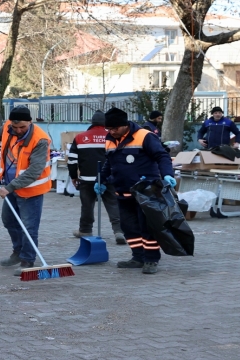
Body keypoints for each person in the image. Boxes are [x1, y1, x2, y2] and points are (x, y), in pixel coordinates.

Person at [96, 107, 174, 275]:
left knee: (148, 227)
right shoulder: (109, 140)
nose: (111, 132)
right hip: (123, 192)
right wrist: (101, 180)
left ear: (124, 125)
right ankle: (137, 257)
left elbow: (162, 156)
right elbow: (109, 163)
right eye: (108, 129)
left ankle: (151, 259)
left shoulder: (145, 136)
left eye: (114, 128)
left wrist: (167, 174)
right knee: (129, 228)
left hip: (146, 192)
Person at [0, 106, 51, 276]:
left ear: (29, 122)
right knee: (9, 221)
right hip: (10, 187)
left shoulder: (40, 140)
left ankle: (27, 260)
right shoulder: (7, 127)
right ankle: (18, 252)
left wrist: (9, 188)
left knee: (29, 226)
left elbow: (34, 171)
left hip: (30, 190)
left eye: (22, 127)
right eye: (15, 127)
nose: (17, 130)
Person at [68, 110, 125, 244]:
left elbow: (72, 160)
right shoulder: (113, 136)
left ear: (92, 123)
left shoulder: (80, 137)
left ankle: (85, 230)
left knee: (87, 205)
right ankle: (119, 231)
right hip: (109, 178)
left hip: (87, 179)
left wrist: (74, 176)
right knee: (113, 204)